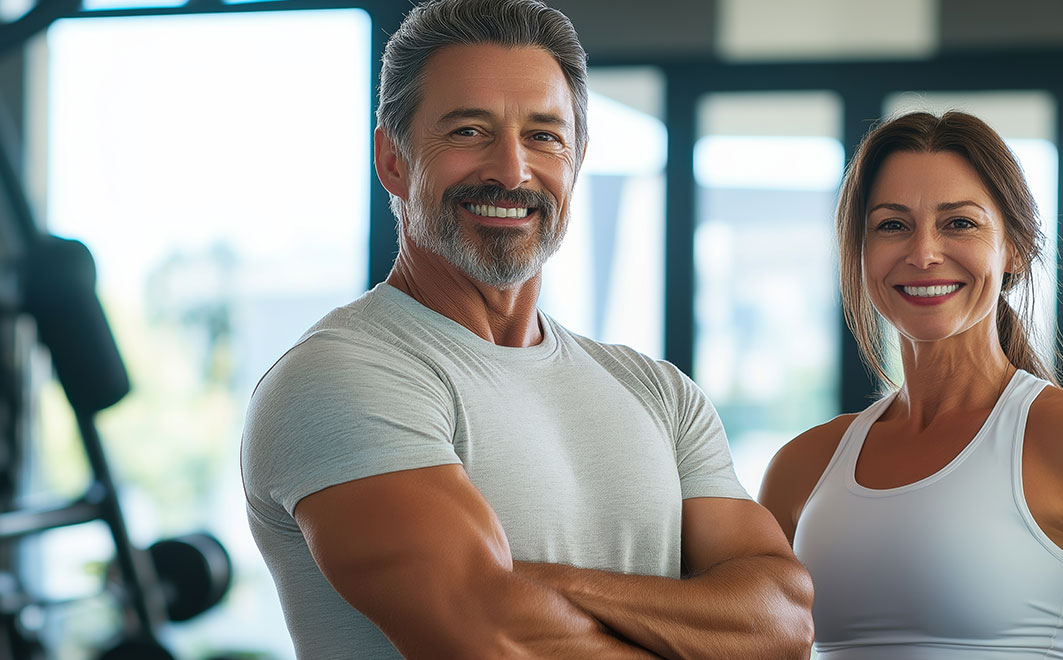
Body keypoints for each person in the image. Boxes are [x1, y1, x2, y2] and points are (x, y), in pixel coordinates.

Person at [240, 1, 813, 657]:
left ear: (577, 160)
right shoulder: (340, 377)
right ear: (392, 159)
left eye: (544, 136)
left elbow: (783, 624)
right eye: (468, 132)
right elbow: (494, 638)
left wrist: (537, 582)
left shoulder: (659, 394)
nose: (511, 171)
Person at [759, 111, 1063, 659]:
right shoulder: (801, 467)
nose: (923, 253)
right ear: (858, 253)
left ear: (1015, 248)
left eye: (959, 223)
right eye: (892, 225)